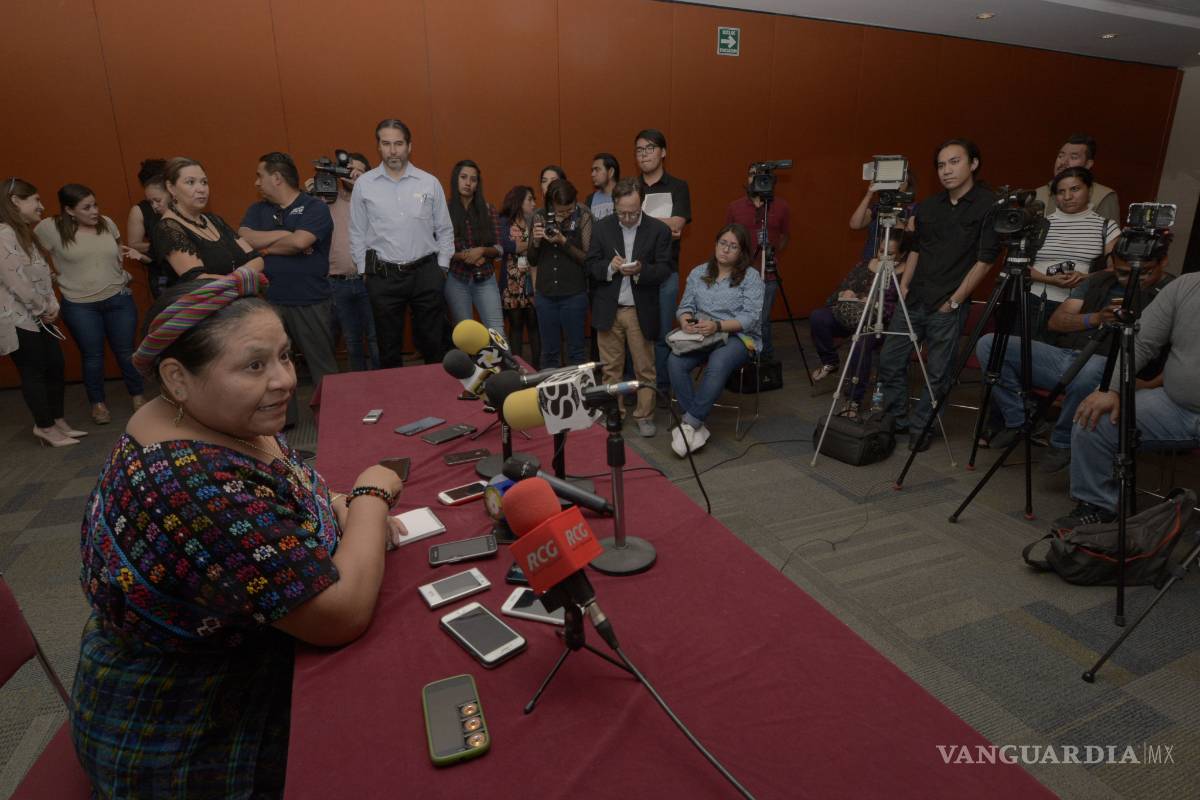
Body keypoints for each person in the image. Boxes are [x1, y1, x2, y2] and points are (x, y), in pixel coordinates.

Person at [70, 269, 407, 797]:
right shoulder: (187, 481)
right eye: (254, 365)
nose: (285, 380)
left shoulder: (213, 419)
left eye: (284, 356)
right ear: (178, 378)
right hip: (189, 729)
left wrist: (335, 504)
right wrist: (369, 496)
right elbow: (339, 615)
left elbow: (293, 495)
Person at [976, 240, 1173, 471]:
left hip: (1114, 372)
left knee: (1089, 367)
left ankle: (1062, 441)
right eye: (1121, 273)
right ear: (1112, 263)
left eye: (1143, 273)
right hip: (1066, 356)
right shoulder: (1099, 281)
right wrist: (1096, 318)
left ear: (1163, 262)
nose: (1130, 280)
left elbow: (1185, 353)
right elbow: (1057, 322)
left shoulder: (1174, 292)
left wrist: (1151, 384)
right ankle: (1021, 419)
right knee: (990, 344)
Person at [875, 138, 1001, 451]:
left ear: (973, 164)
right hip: (915, 296)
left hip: (948, 303)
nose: (947, 170)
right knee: (890, 359)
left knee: (938, 373)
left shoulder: (990, 205)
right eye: (942, 165)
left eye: (955, 162)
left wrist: (956, 300)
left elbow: (985, 261)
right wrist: (904, 285)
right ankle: (897, 419)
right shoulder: (930, 206)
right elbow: (917, 248)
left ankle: (923, 426)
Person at [1056, 267, 1200, 531]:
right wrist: (1112, 389)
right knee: (1094, 417)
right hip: (1174, 405)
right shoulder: (1187, 285)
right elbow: (1142, 341)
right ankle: (1099, 506)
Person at [239, 152, 340, 426]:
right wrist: (287, 237)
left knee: (322, 366)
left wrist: (268, 246)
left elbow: (301, 242)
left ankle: (333, 420)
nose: (257, 182)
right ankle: (285, 422)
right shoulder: (257, 210)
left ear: (276, 178)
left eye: (260, 176)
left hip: (311, 300)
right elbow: (244, 237)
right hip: (272, 303)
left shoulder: (314, 208)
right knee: (276, 368)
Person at [35, 184, 145, 424]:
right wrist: (50, 278)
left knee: (127, 352)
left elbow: (117, 248)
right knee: (92, 356)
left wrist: (121, 272)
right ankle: (98, 404)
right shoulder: (50, 228)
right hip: (80, 305)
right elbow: (33, 258)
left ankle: (138, 396)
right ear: (69, 210)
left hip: (118, 299)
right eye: (87, 207)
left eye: (95, 204)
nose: (95, 211)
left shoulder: (106, 222)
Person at [350, 119, 454, 367]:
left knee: (434, 343)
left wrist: (442, 268)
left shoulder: (429, 182)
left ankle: (438, 397)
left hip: (427, 273)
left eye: (398, 143)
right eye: (386, 144)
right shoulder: (364, 185)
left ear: (409, 146)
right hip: (383, 277)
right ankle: (393, 401)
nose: (392, 150)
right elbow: (356, 232)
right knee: (388, 347)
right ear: (379, 146)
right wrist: (365, 272)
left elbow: (445, 229)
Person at [0, 177, 85, 447]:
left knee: (55, 366)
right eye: (35, 199)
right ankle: (45, 427)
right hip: (20, 318)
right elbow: (17, 282)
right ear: (15, 201)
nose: (41, 205)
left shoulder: (26, 233)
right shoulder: (4, 234)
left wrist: (52, 304)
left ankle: (57, 420)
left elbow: (44, 274)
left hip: (40, 314)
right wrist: (42, 307)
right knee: (34, 370)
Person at [668, 224, 763, 457]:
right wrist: (685, 321)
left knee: (719, 361)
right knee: (674, 361)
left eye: (733, 246)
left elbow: (750, 318)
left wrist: (718, 326)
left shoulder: (751, 277)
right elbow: (685, 307)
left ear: (741, 252)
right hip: (702, 333)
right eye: (723, 244)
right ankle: (696, 426)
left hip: (738, 336)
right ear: (716, 244)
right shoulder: (699, 272)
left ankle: (689, 423)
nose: (726, 250)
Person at [586, 178, 672, 436]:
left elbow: (665, 268)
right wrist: (611, 267)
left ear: (641, 204)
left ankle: (645, 415)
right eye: (621, 212)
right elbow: (590, 265)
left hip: (639, 309)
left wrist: (641, 271)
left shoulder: (658, 230)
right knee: (610, 367)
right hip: (608, 308)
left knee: (644, 367)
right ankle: (614, 412)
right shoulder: (601, 228)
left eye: (633, 213)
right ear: (614, 205)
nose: (627, 218)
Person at [809, 232, 911, 414]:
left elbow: (902, 310)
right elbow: (834, 296)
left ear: (902, 254)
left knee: (861, 342)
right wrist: (847, 293)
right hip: (853, 316)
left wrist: (872, 303)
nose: (884, 257)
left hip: (881, 325)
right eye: (881, 251)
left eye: (891, 254)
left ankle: (853, 399)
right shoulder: (866, 265)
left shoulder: (906, 274)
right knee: (819, 317)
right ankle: (830, 361)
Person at [1022, 167, 1120, 340]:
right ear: (1054, 196)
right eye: (1061, 192)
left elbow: (1117, 269)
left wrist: (1085, 278)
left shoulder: (1106, 226)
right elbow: (1018, 265)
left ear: (1089, 190)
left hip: (1076, 306)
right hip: (1032, 301)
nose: (1067, 197)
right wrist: (1049, 279)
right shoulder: (1039, 225)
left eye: (1075, 189)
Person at [635, 129, 691, 398]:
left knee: (662, 333)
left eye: (649, 148)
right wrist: (663, 226)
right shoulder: (632, 187)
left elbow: (678, 224)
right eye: (639, 149)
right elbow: (624, 222)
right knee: (638, 332)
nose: (644, 154)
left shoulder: (678, 186)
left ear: (663, 152)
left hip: (667, 270)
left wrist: (639, 221)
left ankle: (664, 388)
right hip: (635, 272)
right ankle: (642, 385)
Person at [153, 157, 264, 286]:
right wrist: (243, 277)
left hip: (240, 300)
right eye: (190, 182)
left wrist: (236, 278)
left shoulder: (214, 220)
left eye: (204, 182)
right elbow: (198, 279)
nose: (201, 189)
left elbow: (256, 259)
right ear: (171, 188)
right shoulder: (168, 228)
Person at [724, 164, 791, 360]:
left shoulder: (781, 206)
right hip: (739, 272)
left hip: (767, 273)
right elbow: (727, 238)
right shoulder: (734, 207)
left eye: (763, 175)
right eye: (753, 174)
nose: (757, 179)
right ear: (747, 178)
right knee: (737, 317)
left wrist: (771, 253)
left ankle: (764, 358)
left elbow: (785, 237)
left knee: (762, 319)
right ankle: (739, 357)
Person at [321, 151, 380, 371]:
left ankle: (384, 385)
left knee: (375, 339)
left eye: (359, 171)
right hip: (338, 282)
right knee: (352, 341)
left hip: (369, 280)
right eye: (349, 169)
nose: (353, 174)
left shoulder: (374, 200)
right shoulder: (326, 199)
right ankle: (360, 390)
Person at [529, 178, 593, 367]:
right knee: (549, 353)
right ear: (551, 204)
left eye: (569, 209)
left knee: (576, 352)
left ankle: (577, 395)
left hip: (574, 294)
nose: (565, 214)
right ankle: (551, 396)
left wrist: (563, 241)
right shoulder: (539, 216)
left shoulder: (583, 215)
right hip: (545, 293)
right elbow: (532, 259)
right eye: (560, 211)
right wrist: (537, 241)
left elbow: (588, 259)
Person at [445, 159, 504, 332]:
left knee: (497, 332)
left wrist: (482, 251)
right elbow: (439, 249)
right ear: (456, 179)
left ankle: (502, 360)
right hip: (457, 280)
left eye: (473, 179)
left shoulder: (488, 209)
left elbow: (499, 248)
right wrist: (465, 256)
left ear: (477, 184)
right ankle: (470, 361)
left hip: (485, 278)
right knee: (466, 335)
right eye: (463, 177)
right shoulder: (445, 210)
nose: (468, 182)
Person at [498, 185, 540, 366]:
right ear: (518, 201)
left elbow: (540, 247)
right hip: (511, 282)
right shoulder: (504, 221)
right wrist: (529, 244)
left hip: (532, 280)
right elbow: (505, 246)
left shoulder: (536, 220)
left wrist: (520, 245)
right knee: (515, 326)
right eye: (529, 199)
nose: (534, 203)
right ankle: (517, 368)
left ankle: (538, 367)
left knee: (534, 325)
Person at [1034, 134, 1120, 222]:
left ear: (1088, 164)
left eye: (1073, 157)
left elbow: (1110, 234)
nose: (1063, 162)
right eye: (1061, 156)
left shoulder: (1103, 196)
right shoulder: (1037, 194)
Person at [124, 158, 171, 298]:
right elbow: (134, 245)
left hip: (187, 273)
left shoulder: (183, 203)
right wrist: (164, 246)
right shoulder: (140, 210)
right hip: (161, 273)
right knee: (168, 310)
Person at [849, 171, 917, 263]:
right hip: (870, 262)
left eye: (900, 180)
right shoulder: (877, 207)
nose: (896, 183)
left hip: (896, 264)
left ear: (908, 185)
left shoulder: (913, 209)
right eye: (893, 180)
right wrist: (869, 194)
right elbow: (855, 224)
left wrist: (892, 213)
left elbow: (910, 236)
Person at [586, 153, 619, 221]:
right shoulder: (590, 200)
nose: (592, 174)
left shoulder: (626, 196)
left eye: (597, 170)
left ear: (611, 172)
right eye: (592, 170)